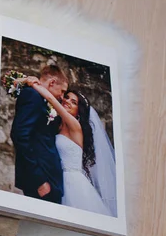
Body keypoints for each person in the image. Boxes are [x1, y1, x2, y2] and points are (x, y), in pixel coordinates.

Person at [22, 77, 116, 216]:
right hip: (58, 178)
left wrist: (33, 84)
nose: (67, 102)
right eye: (67, 97)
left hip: (73, 183)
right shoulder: (58, 125)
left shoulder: (75, 127)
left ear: (79, 111)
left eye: (74, 102)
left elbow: (52, 100)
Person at [10, 65, 69, 204]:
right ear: (52, 82)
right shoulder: (33, 95)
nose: (62, 96)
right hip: (42, 179)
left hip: (49, 175)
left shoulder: (42, 99)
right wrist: (39, 179)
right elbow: (20, 136)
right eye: (62, 91)